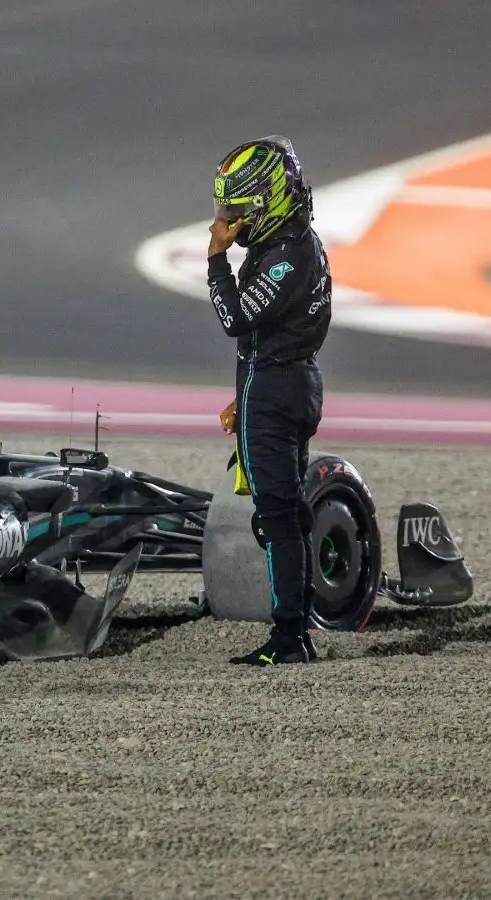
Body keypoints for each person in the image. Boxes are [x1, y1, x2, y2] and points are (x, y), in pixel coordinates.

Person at [205, 135, 332, 666]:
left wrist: (215, 259)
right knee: (286, 514)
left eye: (235, 209)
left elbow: (235, 319)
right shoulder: (300, 243)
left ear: (264, 201)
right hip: (287, 384)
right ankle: (294, 630)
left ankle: (289, 637)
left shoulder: (284, 259)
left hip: (276, 389)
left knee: (278, 517)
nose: (227, 220)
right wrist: (244, 396)